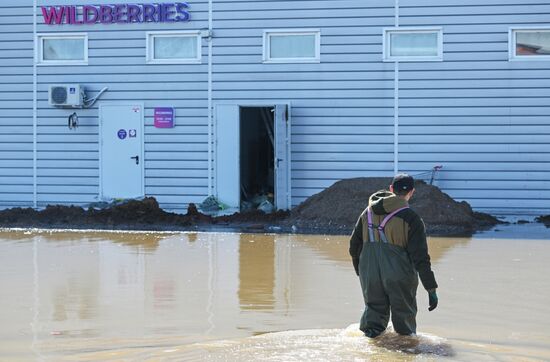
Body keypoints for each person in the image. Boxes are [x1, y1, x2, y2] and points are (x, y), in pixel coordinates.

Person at [349, 173, 438, 338]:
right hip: (400, 275)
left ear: (391, 189)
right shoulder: (412, 218)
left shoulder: (367, 212)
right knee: (405, 327)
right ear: (411, 192)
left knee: (372, 323)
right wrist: (431, 288)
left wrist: (361, 271)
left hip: (369, 273)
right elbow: (421, 258)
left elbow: (354, 245)